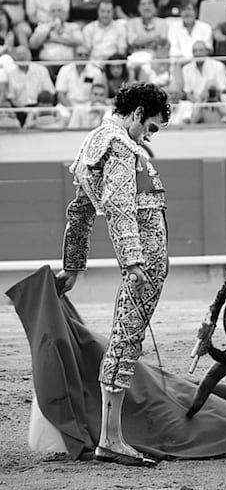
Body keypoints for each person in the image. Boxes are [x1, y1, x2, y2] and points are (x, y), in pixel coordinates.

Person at [55, 81, 171, 466]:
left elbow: (80, 212)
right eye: (151, 126)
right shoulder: (120, 144)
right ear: (137, 113)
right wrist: (134, 261)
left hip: (142, 262)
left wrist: (72, 268)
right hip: (144, 265)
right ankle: (111, 439)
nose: (150, 135)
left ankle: (111, 435)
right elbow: (120, 205)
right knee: (126, 340)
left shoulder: (95, 141)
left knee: (125, 337)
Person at [181, 39, 226, 124]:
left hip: (217, 100)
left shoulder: (218, 66)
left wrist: (211, 98)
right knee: (187, 107)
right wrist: (201, 101)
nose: (198, 53)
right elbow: (187, 93)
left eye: (200, 50)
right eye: (195, 51)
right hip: (196, 102)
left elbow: (224, 88)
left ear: (206, 52)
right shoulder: (186, 69)